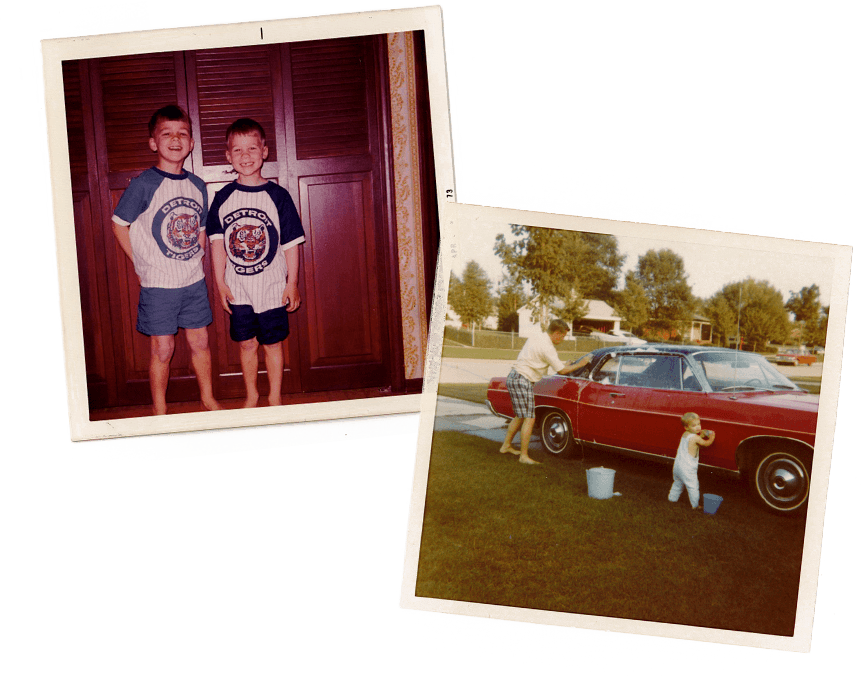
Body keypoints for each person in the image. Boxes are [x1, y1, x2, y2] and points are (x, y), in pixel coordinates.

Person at [111, 105, 221, 415]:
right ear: (153, 142)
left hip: (193, 282)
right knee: (163, 348)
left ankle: (207, 398)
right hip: (159, 284)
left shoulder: (198, 185)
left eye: (182, 134)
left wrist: (196, 259)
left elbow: (200, 229)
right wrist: (139, 261)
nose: (175, 139)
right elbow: (119, 224)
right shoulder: (144, 183)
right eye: (167, 133)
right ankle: (160, 410)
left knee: (201, 343)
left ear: (191, 143)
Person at [206, 118, 306, 408]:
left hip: (273, 287)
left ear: (264, 151)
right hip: (239, 289)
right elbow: (217, 244)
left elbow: (291, 244)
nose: (245, 155)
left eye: (252, 148)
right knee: (247, 343)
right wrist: (220, 282)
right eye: (237, 150)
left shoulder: (278, 196)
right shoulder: (223, 198)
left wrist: (293, 283)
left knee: (273, 343)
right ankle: (252, 394)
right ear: (228, 156)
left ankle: (275, 396)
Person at [499, 319, 593, 464]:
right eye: (562, 336)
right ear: (556, 333)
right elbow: (561, 370)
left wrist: (564, 365)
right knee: (530, 418)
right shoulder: (547, 347)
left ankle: (506, 446)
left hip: (515, 376)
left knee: (520, 416)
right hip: (522, 379)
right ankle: (523, 456)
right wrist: (581, 363)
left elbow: (543, 361)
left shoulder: (538, 337)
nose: (562, 340)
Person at [668, 412, 716, 510]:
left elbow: (693, 442)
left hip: (677, 466)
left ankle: (672, 498)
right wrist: (712, 437)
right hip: (688, 468)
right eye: (694, 426)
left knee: (677, 483)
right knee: (693, 486)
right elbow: (705, 444)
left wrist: (700, 436)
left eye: (699, 424)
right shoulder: (695, 438)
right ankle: (695, 505)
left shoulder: (685, 434)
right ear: (686, 427)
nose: (698, 427)